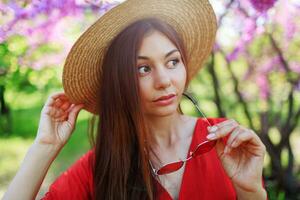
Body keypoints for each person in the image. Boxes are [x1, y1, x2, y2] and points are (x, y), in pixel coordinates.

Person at [3, 0, 268, 199]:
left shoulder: (226, 144)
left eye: (172, 61)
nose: (164, 80)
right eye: (143, 68)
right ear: (119, 82)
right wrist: (44, 146)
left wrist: (251, 190)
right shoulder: (100, 168)